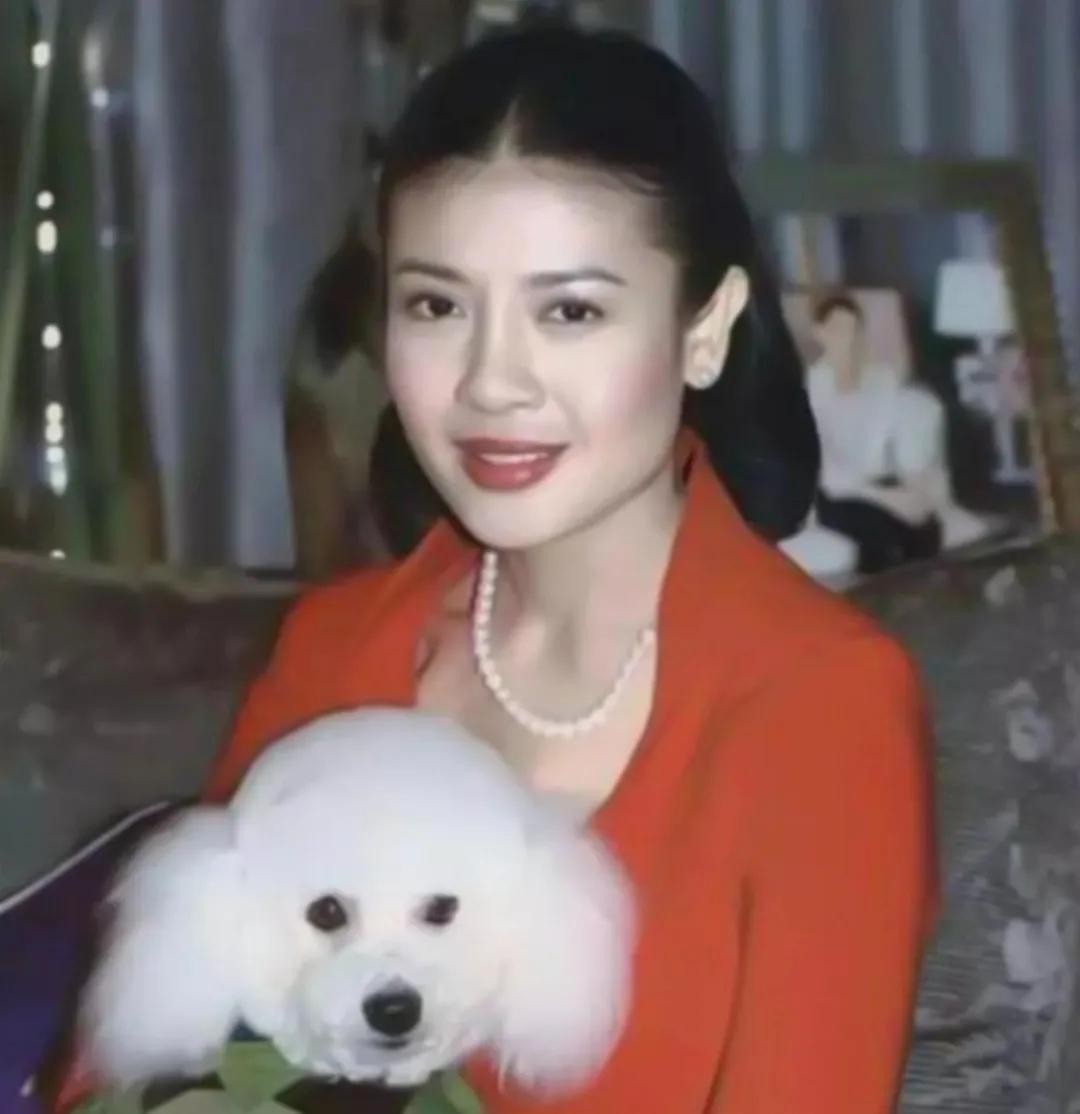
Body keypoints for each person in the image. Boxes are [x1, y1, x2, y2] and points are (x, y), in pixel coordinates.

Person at [57, 23, 937, 1114]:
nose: (492, 382)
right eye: (438, 305)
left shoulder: (824, 701)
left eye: (570, 311)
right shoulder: (336, 647)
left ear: (705, 330)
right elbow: (137, 1059)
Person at [783, 294, 993, 578]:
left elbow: (902, 445)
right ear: (820, 333)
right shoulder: (808, 395)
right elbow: (828, 472)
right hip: (836, 495)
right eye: (838, 330)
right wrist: (888, 498)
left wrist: (914, 492)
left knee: (925, 531)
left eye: (854, 330)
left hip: (884, 485)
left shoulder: (882, 383)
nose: (848, 340)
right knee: (883, 543)